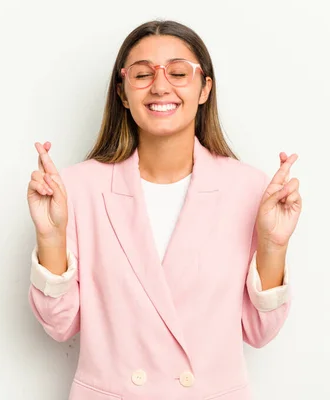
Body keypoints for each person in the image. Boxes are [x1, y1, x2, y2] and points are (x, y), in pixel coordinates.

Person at [26, 19, 302, 400]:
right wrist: (50, 236)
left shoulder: (249, 189)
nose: (159, 86)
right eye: (141, 74)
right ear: (122, 92)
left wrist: (273, 245)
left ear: (205, 88)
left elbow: (259, 332)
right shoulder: (77, 188)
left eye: (177, 72)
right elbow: (60, 326)